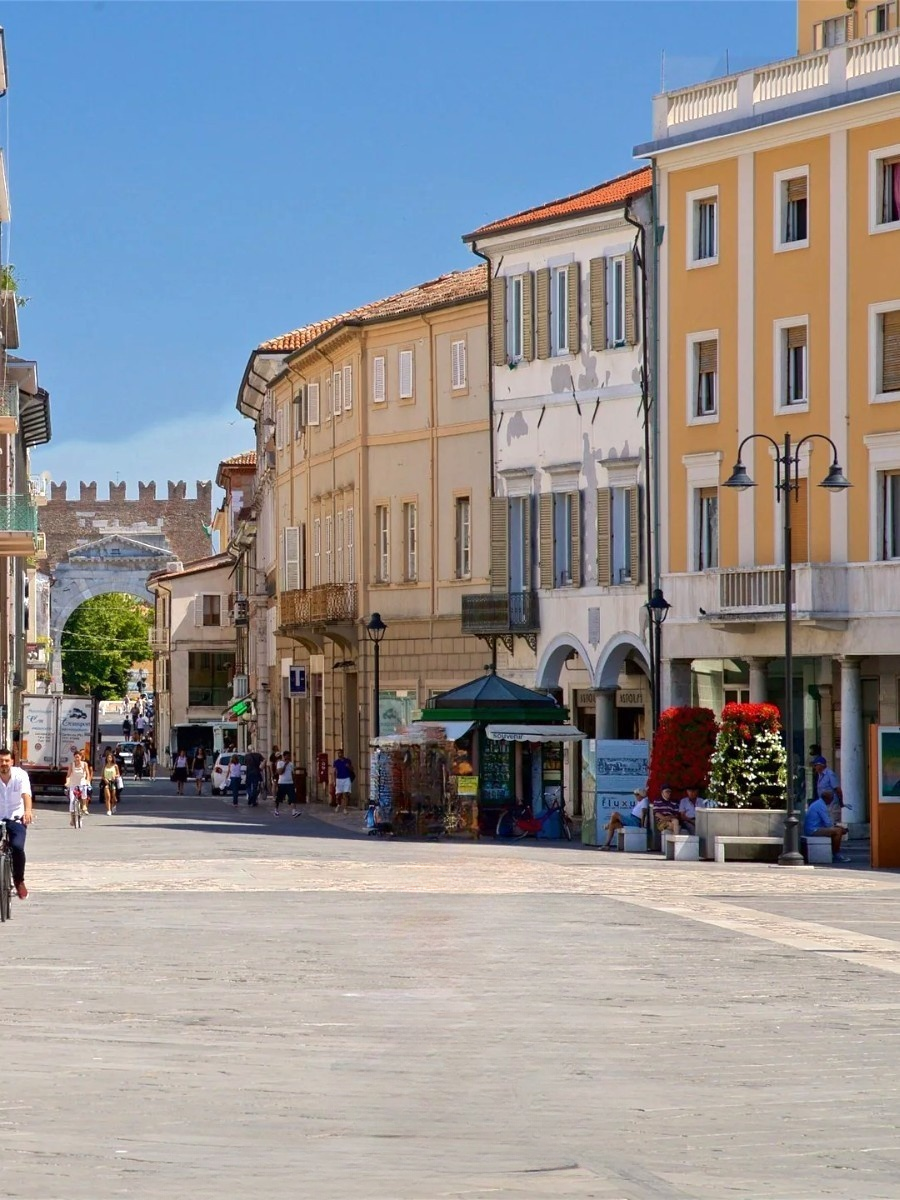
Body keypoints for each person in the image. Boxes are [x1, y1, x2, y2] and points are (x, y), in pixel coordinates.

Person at [0, 747, 33, 899]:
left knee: (17, 847)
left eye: (6, 761)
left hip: (16, 818)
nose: (4, 764)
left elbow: (26, 794)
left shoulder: (21, 775)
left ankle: (19, 880)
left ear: (12, 762)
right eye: (1, 761)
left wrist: (27, 811)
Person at [803, 791, 850, 863]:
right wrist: (839, 828)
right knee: (838, 831)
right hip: (813, 830)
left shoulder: (818, 803)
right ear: (827, 798)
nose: (832, 800)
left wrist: (836, 826)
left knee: (837, 830)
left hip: (814, 828)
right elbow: (828, 823)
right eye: (832, 798)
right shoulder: (821, 806)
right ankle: (836, 854)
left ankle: (833, 851)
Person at [64, 750, 92, 825]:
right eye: (76, 757)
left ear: (81, 757)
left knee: (84, 789)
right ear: (74, 757)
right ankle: (72, 819)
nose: (77, 758)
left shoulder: (84, 764)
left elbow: (88, 774)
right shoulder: (71, 765)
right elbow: (68, 775)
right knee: (72, 801)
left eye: (78, 757)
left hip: (82, 782)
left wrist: (88, 781)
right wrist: (67, 782)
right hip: (73, 784)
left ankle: (84, 805)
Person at [812, 756, 843, 823]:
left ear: (821, 765)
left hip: (832, 805)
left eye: (816, 765)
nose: (815, 767)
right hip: (825, 805)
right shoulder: (820, 775)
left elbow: (838, 789)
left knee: (833, 822)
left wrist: (841, 802)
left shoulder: (830, 774)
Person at [99, 748, 121, 815]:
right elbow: (102, 775)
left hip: (113, 782)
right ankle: (108, 810)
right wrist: (104, 779)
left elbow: (118, 774)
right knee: (107, 797)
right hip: (107, 782)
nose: (109, 759)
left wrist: (115, 776)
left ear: (112, 758)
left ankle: (114, 805)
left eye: (110, 757)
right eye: (108, 757)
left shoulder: (115, 766)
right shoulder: (105, 766)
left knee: (113, 797)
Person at [332, 748, 354, 814]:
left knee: (345, 794)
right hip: (339, 779)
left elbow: (352, 769)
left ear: (342, 753)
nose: (339, 754)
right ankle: (338, 804)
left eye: (340, 753)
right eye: (338, 753)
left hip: (346, 778)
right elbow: (335, 771)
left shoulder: (347, 761)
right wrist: (334, 781)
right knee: (338, 795)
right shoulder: (336, 762)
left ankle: (345, 809)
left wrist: (348, 766)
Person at [276, 750, 296, 817]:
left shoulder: (291, 764)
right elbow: (280, 772)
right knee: (279, 798)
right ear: (284, 756)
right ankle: (276, 810)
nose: (288, 757)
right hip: (282, 783)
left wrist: (294, 782)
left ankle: (294, 811)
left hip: (290, 783)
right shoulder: (280, 763)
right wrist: (285, 765)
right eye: (287, 756)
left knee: (292, 797)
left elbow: (292, 773)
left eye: (289, 756)